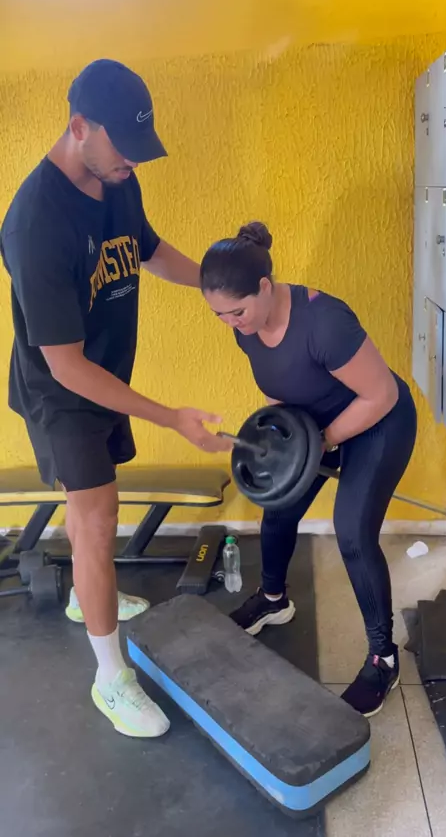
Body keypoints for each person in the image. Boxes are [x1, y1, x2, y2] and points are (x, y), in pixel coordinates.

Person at [0, 59, 229, 739]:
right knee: (97, 518)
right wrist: (172, 418)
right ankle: (110, 678)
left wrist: (218, 288)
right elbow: (65, 365)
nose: (134, 162)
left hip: (104, 371)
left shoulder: (118, 178)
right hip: (62, 390)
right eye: (124, 148)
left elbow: (149, 251)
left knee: (98, 510)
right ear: (79, 127)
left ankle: (86, 595)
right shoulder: (35, 222)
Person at [200, 221, 417, 718]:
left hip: (377, 422)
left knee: (353, 532)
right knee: (278, 507)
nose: (231, 323)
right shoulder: (246, 329)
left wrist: (322, 442)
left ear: (265, 287)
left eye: (237, 311)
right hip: (315, 426)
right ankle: (273, 599)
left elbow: (381, 394)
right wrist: (282, 442)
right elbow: (283, 387)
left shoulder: (324, 322)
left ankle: (383, 658)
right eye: (219, 315)